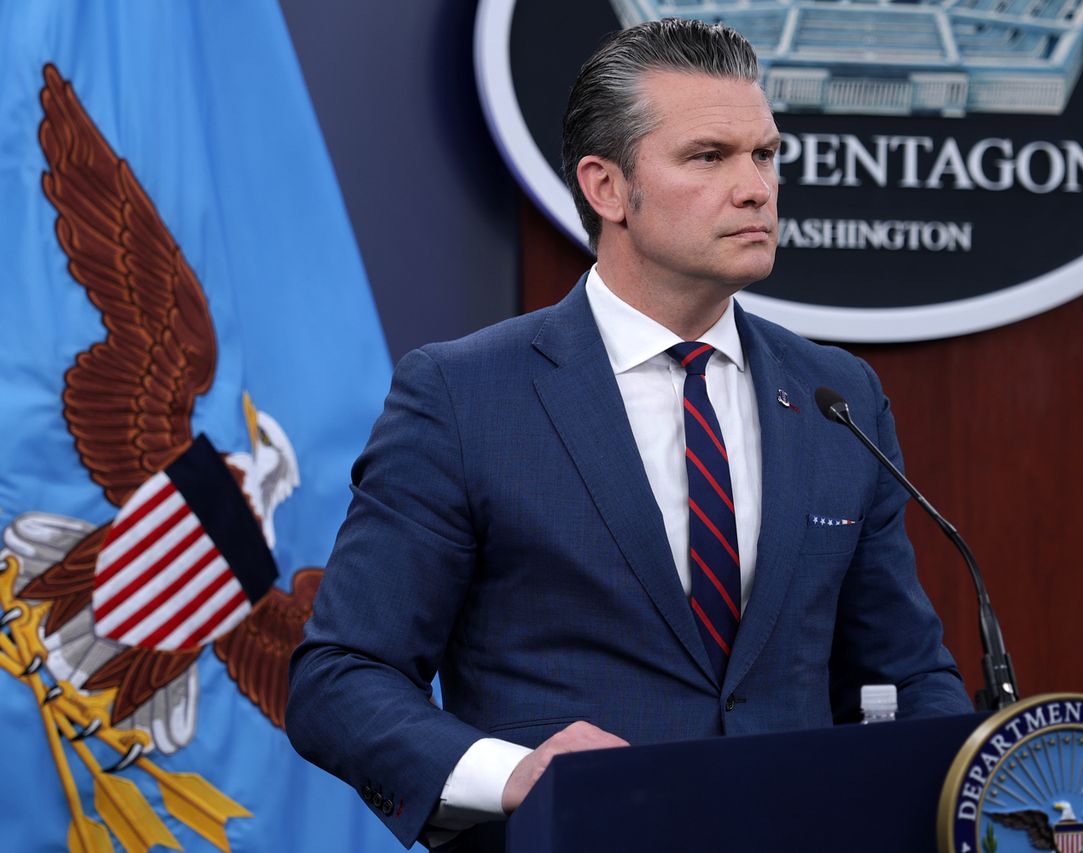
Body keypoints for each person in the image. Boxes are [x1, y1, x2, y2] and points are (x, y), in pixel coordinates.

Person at [286, 18, 970, 851]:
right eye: (709, 156)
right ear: (607, 188)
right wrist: (509, 772)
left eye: (766, 155)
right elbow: (340, 678)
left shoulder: (837, 395)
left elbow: (905, 673)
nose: (756, 188)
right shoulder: (465, 396)